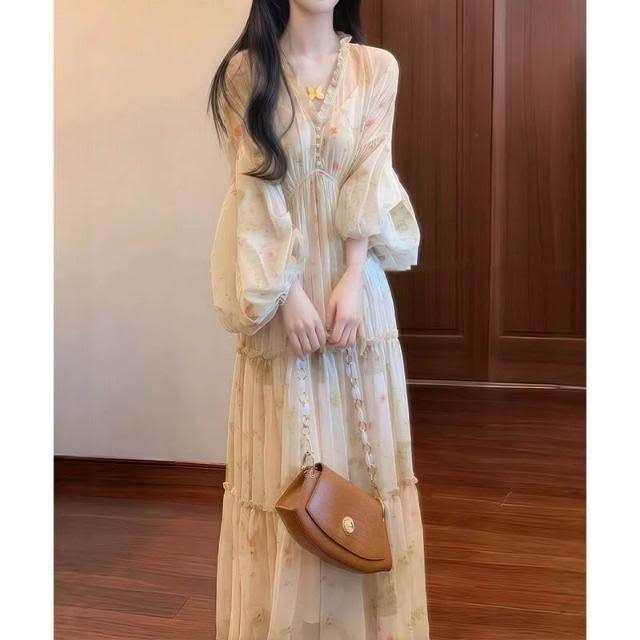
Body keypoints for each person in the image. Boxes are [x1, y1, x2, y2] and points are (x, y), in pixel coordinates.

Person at [208, 1, 429, 637]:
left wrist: (354, 275)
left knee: (364, 473)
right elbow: (251, 191)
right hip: (282, 302)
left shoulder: (376, 68)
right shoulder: (246, 73)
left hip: (356, 303)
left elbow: (371, 175)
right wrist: (287, 294)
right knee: (288, 478)